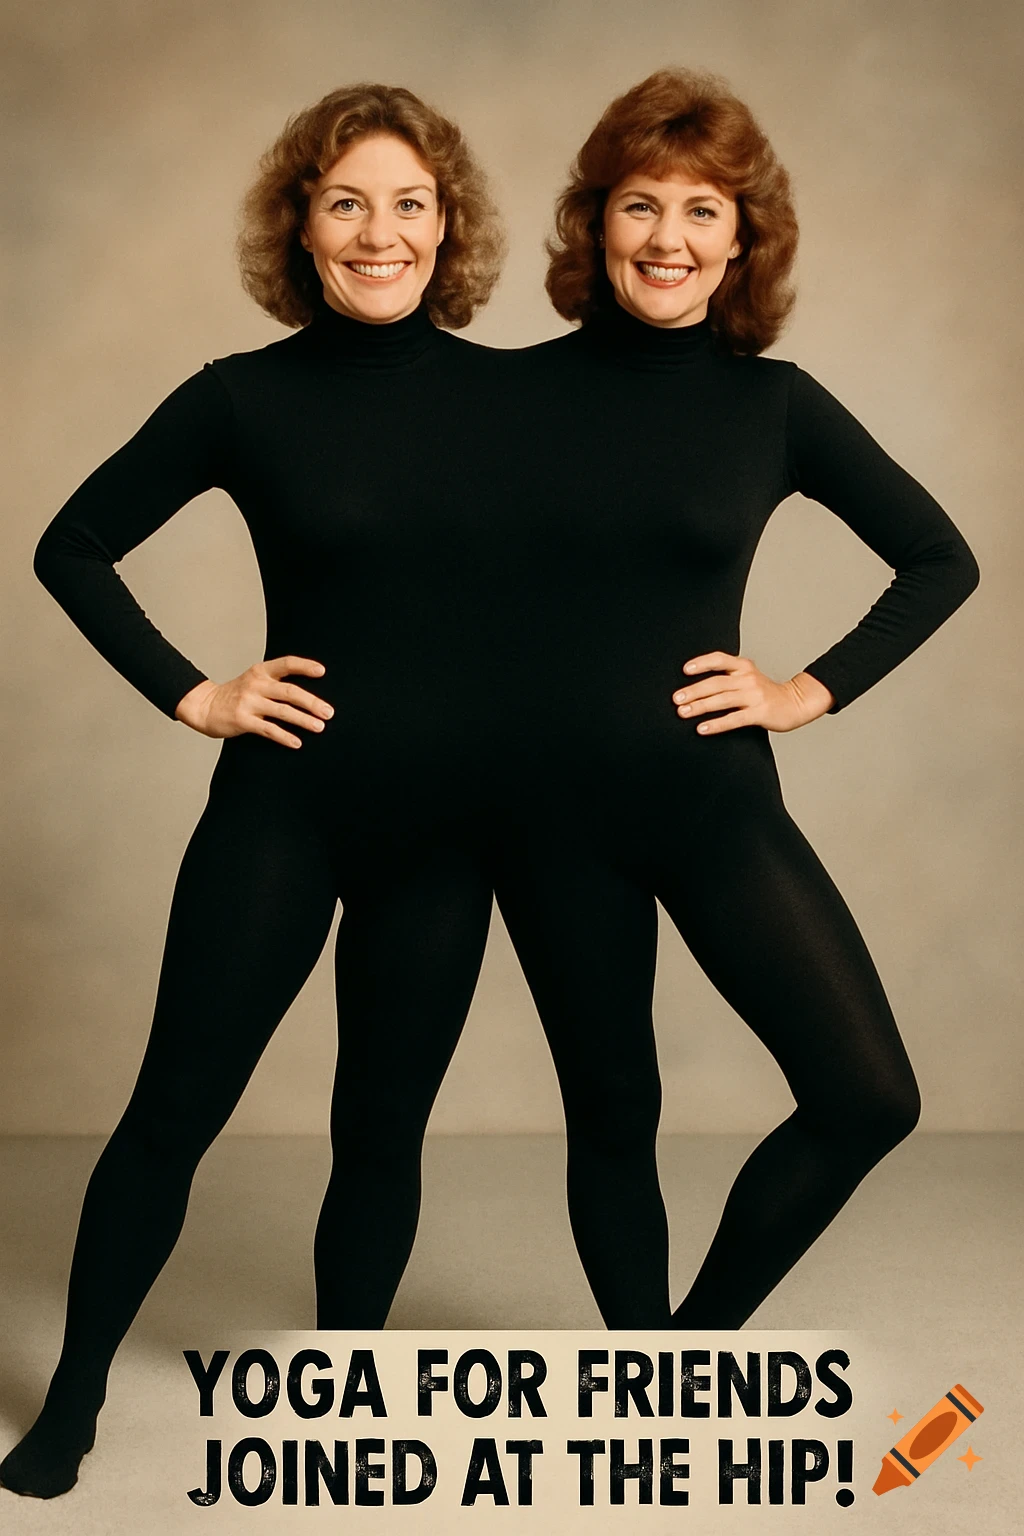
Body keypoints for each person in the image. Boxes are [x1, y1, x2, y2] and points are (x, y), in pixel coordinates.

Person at [0, 82, 506, 1500]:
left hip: (448, 839)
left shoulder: (515, 395)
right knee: (172, 1112)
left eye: (409, 202)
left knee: (380, 1130)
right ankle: (76, 1403)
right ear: (301, 221)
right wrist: (195, 691)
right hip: (280, 815)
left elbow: (595, 579)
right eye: (347, 199)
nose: (380, 231)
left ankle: (346, 1402)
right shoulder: (243, 398)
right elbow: (74, 542)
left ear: (447, 222)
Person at [490, 66, 980, 1329]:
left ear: (743, 239)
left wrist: (808, 690)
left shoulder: (774, 406)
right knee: (612, 1113)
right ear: (596, 225)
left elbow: (941, 560)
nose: (669, 239)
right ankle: (640, 1385)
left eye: (704, 211)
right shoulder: (502, 398)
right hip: (543, 818)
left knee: (866, 1094)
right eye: (642, 205)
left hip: (709, 801)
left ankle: (692, 1351)